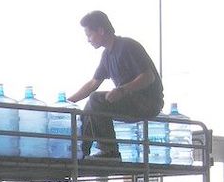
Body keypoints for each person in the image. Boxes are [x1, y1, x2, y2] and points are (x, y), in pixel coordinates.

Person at [68, 10, 164, 160]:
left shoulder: (127, 46)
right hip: (130, 101)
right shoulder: (107, 55)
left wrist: (122, 90)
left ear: (101, 30)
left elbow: (148, 77)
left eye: (89, 35)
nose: (88, 40)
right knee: (87, 110)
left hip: (147, 102)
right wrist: (68, 103)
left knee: (96, 100)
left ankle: (110, 151)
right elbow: (93, 83)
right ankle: (81, 152)